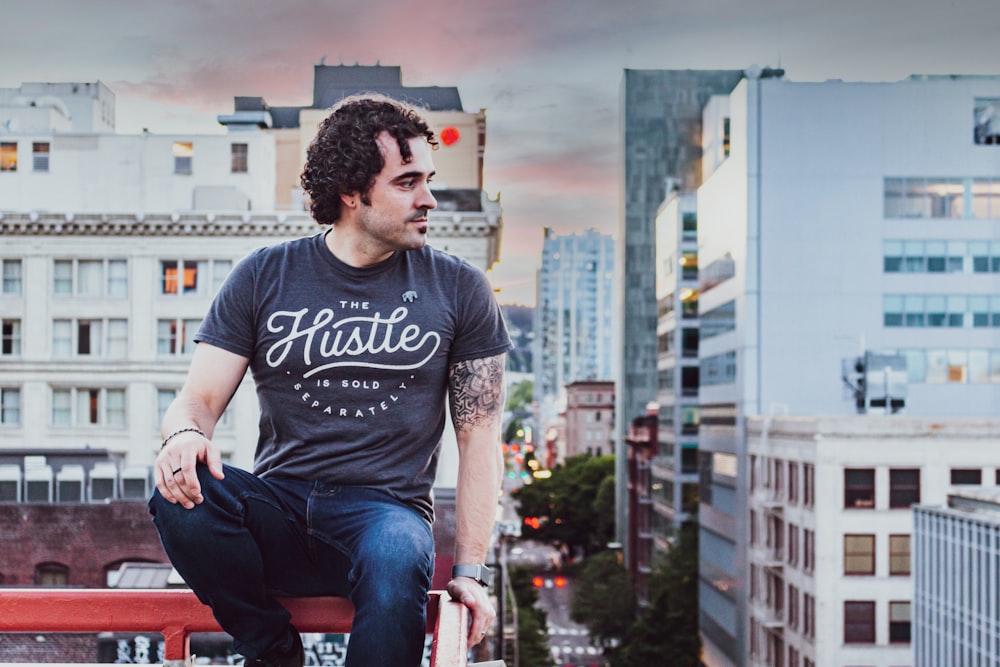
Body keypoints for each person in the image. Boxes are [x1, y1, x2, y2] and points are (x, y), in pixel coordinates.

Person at [148, 93, 511, 667]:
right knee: (177, 488)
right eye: (407, 181)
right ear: (350, 191)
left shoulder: (460, 288)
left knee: (394, 553)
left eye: (429, 179)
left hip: (386, 515)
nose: (429, 199)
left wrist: (470, 572)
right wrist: (182, 438)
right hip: (281, 508)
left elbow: (480, 441)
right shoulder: (264, 275)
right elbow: (196, 401)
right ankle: (270, 650)